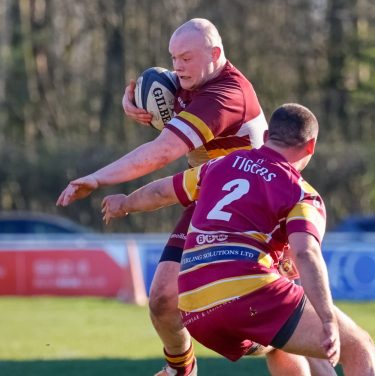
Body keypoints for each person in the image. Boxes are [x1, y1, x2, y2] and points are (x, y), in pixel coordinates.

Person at [101, 103, 375, 376]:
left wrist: (125, 202)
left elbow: (163, 192)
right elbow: (306, 254)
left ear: (265, 137)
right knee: (359, 345)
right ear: (310, 147)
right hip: (249, 295)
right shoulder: (301, 193)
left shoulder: (222, 165)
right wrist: (327, 319)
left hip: (195, 309)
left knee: (281, 345)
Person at [57, 18, 269, 375]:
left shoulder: (224, 96)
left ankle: (273, 335)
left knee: (268, 333)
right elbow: (156, 89)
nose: (177, 67)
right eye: (173, 58)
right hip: (210, 198)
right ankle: (181, 368)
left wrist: (97, 178)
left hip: (248, 208)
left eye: (186, 57)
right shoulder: (193, 80)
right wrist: (133, 100)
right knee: (162, 301)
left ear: (216, 54)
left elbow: (161, 153)